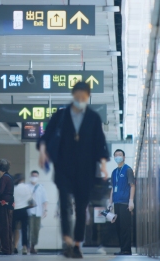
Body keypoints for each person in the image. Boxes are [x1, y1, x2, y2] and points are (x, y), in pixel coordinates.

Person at [37, 81, 109, 259]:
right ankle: (67, 241)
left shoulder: (93, 118)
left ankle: (77, 243)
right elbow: (47, 135)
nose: (79, 100)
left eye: (83, 98)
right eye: (77, 97)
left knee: (81, 207)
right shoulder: (61, 115)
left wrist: (104, 165)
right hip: (63, 167)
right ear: (72, 96)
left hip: (85, 170)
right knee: (64, 204)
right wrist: (43, 152)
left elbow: (100, 143)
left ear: (88, 97)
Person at [108, 149, 135, 256]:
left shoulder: (128, 170)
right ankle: (122, 249)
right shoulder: (114, 172)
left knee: (125, 227)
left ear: (124, 157)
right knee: (118, 227)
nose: (118, 157)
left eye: (120, 155)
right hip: (117, 203)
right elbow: (112, 188)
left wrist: (131, 201)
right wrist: (110, 203)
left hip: (125, 203)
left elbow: (132, 185)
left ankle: (126, 250)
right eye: (116, 155)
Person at [0, 159, 14, 255]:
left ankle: (5, 249)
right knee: (8, 227)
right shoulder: (9, 177)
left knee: (4, 228)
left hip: (3, 205)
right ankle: (9, 248)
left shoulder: (4, 178)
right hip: (9, 204)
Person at [27, 170, 48, 255]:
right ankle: (27, 247)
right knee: (29, 229)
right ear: (30, 176)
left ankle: (33, 246)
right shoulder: (27, 187)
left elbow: (45, 200)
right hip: (29, 211)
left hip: (38, 212)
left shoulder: (41, 187)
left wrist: (45, 210)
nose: (34, 177)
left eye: (35, 176)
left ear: (38, 177)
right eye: (33, 175)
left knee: (36, 230)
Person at [12, 174, 32, 255]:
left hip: (15, 210)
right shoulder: (26, 187)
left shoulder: (13, 188)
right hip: (24, 210)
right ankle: (24, 247)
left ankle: (14, 246)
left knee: (13, 229)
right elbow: (30, 199)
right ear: (22, 179)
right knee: (24, 230)